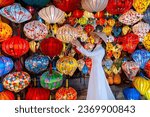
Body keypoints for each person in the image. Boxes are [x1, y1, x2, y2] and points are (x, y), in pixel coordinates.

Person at [71, 32, 115, 100]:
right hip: (95, 69)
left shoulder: (101, 50)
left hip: (97, 70)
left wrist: (79, 45)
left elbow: (88, 54)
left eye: (96, 37)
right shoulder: (96, 48)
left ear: (100, 40)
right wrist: (77, 45)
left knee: (98, 86)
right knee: (94, 85)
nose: (94, 38)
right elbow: (89, 54)